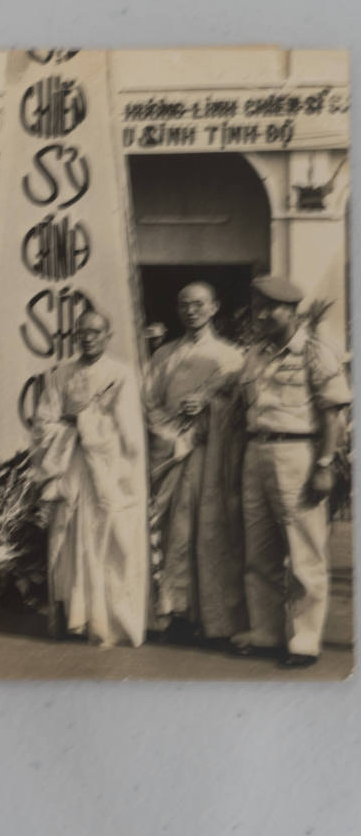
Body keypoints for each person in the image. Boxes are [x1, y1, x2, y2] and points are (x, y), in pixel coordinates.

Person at [230, 276, 350, 669]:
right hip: (257, 451)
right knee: (259, 551)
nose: (261, 315)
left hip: (298, 452)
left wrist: (324, 465)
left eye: (271, 308)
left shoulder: (315, 352)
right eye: (258, 307)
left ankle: (305, 637)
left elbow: (332, 414)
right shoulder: (255, 354)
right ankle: (265, 631)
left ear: (292, 311)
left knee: (304, 551)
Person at [32, 310, 149, 647]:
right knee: (70, 541)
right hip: (70, 468)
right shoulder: (61, 374)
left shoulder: (121, 374)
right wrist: (77, 424)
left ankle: (111, 621)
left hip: (108, 472)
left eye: (96, 332)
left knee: (110, 541)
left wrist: (82, 422)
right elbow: (44, 422)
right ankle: (75, 618)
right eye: (82, 331)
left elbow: (127, 432)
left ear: (108, 335)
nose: (88, 337)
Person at [145, 282, 247, 642]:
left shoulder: (231, 357)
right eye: (184, 304)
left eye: (199, 304)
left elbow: (239, 411)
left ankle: (215, 617)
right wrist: (174, 434)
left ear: (214, 307)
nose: (192, 311)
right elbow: (150, 403)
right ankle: (175, 610)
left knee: (211, 530)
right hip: (173, 452)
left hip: (211, 455)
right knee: (174, 530)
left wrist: (209, 410)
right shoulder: (163, 356)